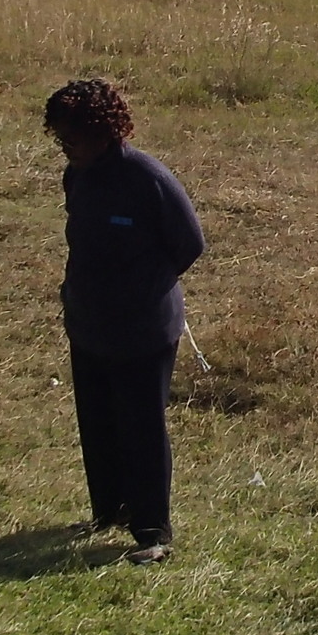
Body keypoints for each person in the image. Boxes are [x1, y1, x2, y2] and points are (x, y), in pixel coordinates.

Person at [46, 78, 204, 564]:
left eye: (71, 135)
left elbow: (189, 243)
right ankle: (108, 511)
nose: (64, 146)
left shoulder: (146, 178)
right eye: (58, 137)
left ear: (103, 129)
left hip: (143, 329)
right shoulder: (78, 176)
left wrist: (143, 286)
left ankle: (152, 532)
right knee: (97, 422)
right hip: (90, 322)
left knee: (141, 426)